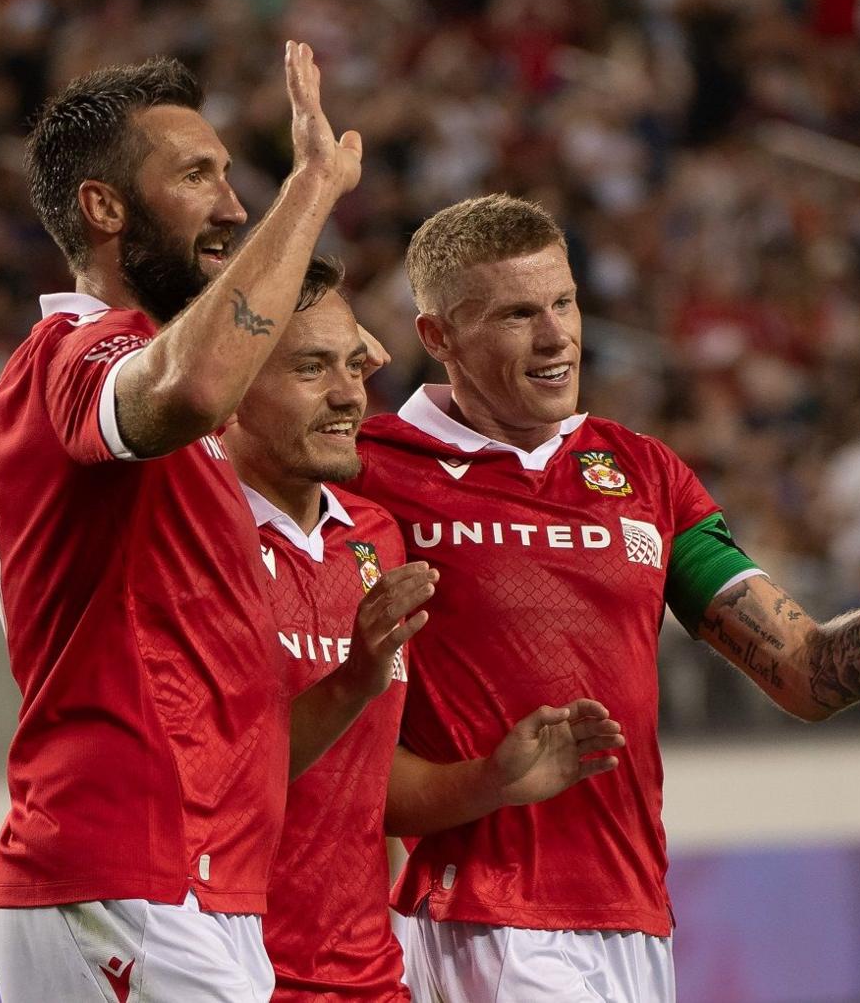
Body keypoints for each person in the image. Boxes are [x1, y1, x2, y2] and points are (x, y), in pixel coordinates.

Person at [344, 193, 860, 1002]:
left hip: (636, 924)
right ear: (437, 336)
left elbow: (803, 671)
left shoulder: (643, 474)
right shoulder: (372, 471)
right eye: (518, 314)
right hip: (480, 922)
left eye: (564, 302)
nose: (557, 336)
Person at [0, 45, 363, 1000]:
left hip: (185, 883)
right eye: (198, 175)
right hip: (136, 872)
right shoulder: (71, 355)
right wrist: (310, 190)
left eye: (235, 176)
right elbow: (194, 383)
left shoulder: (162, 386)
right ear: (105, 208)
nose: (234, 207)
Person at [223, 256, 629, 1001]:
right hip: (222, 968)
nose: (351, 394)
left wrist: (491, 780)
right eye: (312, 368)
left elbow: (368, 785)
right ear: (228, 386)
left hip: (368, 974)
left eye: (357, 365)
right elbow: (199, 778)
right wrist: (351, 680)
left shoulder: (373, 537)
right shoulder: (190, 539)